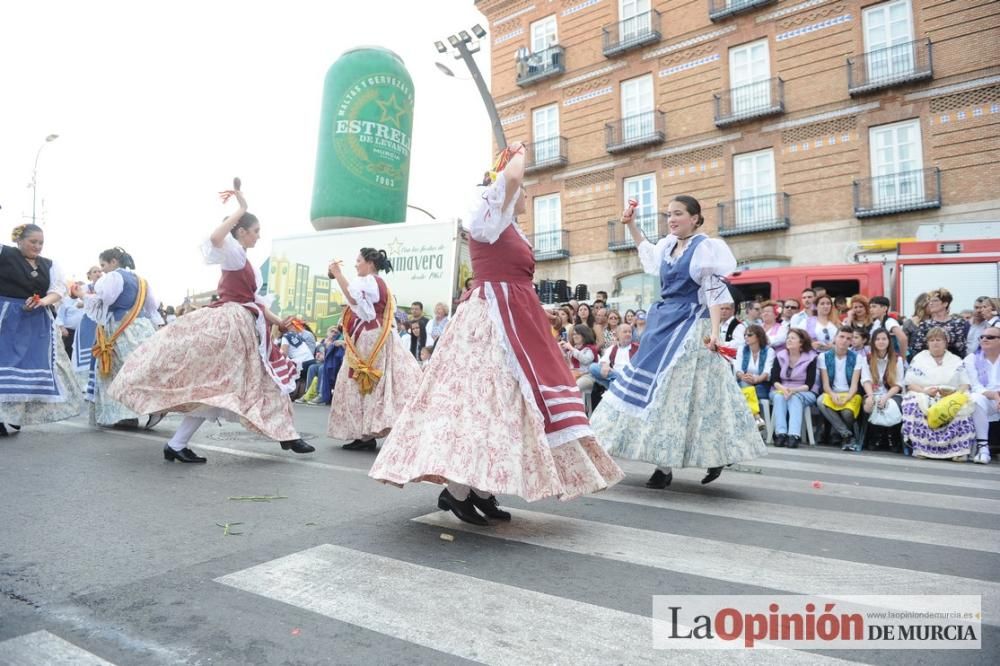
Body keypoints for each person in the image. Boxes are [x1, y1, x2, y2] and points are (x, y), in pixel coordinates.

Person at [369, 143, 623, 524]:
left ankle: (480, 489)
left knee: (503, 406)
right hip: (490, 321)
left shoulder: (507, 225)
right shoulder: (488, 212)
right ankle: (456, 490)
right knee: (481, 404)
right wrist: (517, 153)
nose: (524, 193)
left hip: (514, 318)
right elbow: (514, 176)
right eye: (519, 190)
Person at [107, 184, 314, 462]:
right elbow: (217, 237)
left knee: (239, 386)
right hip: (231, 326)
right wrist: (241, 208)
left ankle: (284, 435)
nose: (258, 236)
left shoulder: (245, 260)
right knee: (227, 388)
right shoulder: (234, 252)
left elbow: (256, 301)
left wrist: (281, 322)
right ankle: (286, 436)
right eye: (255, 231)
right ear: (241, 231)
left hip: (244, 326)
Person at [590, 195, 765, 488]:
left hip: (692, 327)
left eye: (678, 214)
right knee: (651, 392)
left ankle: (681, 462)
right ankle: (650, 460)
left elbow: (713, 294)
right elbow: (646, 254)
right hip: (663, 323)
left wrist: (716, 332)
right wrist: (631, 224)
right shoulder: (668, 245)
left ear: (695, 218)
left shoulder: (705, 248)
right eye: (669, 214)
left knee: (687, 397)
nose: (671, 219)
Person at [327, 248, 423, 451]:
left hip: (370, 337)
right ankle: (365, 432)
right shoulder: (376, 283)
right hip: (371, 334)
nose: (355, 264)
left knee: (364, 382)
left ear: (370, 263)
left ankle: (365, 433)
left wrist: (337, 274)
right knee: (368, 382)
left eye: (358, 260)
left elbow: (354, 300)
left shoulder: (370, 282)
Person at [0, 224, 83, 436]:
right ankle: (3, 416)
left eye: (41, 243)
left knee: (40, 371)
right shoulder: (4, 254)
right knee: (5, 367)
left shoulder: (50, 264)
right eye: (32, 242)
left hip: (37, 322)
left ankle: (16, 414)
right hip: (7, 318)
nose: (37, 246)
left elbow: (58, 290)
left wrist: (41, 301)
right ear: (19, 241)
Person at [81, 247, 166, 430]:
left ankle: (127, 414)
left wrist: (84, 296)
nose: (102, 270)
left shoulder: (113, 276)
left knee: (120, 371)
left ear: (113, 262)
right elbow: (152, 306)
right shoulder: (142, 281)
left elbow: (106, 299)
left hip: (121, 326)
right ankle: (155, 405)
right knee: (141, 368)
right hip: (142, 327)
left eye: (103, 265)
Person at [901, 327, 975, 461]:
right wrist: (924, 391)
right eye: (932, 340)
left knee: (962, 406)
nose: (935, 343)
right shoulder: (919, 358)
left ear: (946, 342)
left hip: (950, 396)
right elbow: (910, 383)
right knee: (912, 402)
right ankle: (923, 449)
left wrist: (953, 393)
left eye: (939, 340)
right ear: (927, 343)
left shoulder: (955, 360)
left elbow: (965, 384)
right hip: (924, 393)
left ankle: (957, 451)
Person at [769, 328, 819, 449]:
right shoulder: (780, 355)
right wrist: (784, 389)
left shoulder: (811, 357)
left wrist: (793, 391)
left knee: (795, 398)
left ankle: (794, 435)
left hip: (804, 391)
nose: (789, 340)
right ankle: (781, 433)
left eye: (793, 338)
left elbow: (809, 384)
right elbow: (774, 379)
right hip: (781, 389)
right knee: (779, 397)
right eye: (788, 337)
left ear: (801, 342)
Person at [818, 327, 864, 451]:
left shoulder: (857, 358)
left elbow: (854, 386)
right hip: (832, 392)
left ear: (851, 342)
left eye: (848, 338)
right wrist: (833, 395)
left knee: (847, 413)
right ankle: (847, 434)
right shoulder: (824, 357)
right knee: (821, 400)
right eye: (841, 337)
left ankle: (838, 434)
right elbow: (826, 385)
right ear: (835, 338)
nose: (844, 341)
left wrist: (847, 398)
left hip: (850, 393)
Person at [861, 328, 905, 452]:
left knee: (890, 405)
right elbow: (866, 380)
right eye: (878, 339)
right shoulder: (867, 359)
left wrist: (886, 397)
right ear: (873, 342)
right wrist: (870, 396)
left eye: (884, 339)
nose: (881, 342)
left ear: (889, 341)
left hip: (892, 393)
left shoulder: (897, 359)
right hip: (873, 392)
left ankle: (892, 437)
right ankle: (876, 437)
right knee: (871, 404)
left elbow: (898, 384)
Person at [965, 325, 999, 464]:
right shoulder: (971, 359)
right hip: (986, 398)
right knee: (975, 398)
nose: (984, 339)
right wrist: (995, 396)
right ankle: (983, 448)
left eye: (990, 337)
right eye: (982, 337)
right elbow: (975, 386)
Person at [911, 288, 969, 358]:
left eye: (935, 300)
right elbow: (917, 348)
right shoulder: (925, 325)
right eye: (930, 301)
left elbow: (962, 349)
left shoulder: (959, 323)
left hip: (953, 363)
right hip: (930, 363)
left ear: (945, 304)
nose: (931, 303)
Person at [735, 324, 774, 427]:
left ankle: (754, 419)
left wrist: (757, 379)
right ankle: (756, 416)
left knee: (744, 392)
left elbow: (767, 372)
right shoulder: (742, 349)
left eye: (750, 335)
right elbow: (738, 369)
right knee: (744, 384)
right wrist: (742, 376)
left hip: (762, 384)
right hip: (745, 381)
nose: (746, 337)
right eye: (745, 335)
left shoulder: (769, 351)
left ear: (758, 336)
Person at [588, 323, 638, 389]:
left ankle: (614, 388)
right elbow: (603, 361)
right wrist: (605, 365)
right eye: (625, 332)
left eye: (630, 332)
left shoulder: (637, 348)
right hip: (614, 374)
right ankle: (617, 387)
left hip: (630, 376)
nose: (628, 334)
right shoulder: (613, 348)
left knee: (612, 380)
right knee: (593, 367)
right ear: (617, 335)